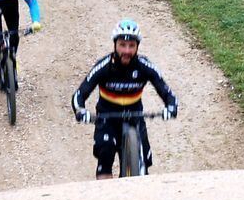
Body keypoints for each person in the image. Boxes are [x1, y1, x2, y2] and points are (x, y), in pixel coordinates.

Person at [72, 19, 179, 179]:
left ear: (137, 47)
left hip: (135, 118)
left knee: (143, 165)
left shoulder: (145, 66)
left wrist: (171, 107)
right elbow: (79, 94)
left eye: (131, 46)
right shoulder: (104, 66)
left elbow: (167, 91)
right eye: (122, 45)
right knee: (105, 156)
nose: (127, 50)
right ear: (115, 45)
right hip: (107, 119)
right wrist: (81, 111)